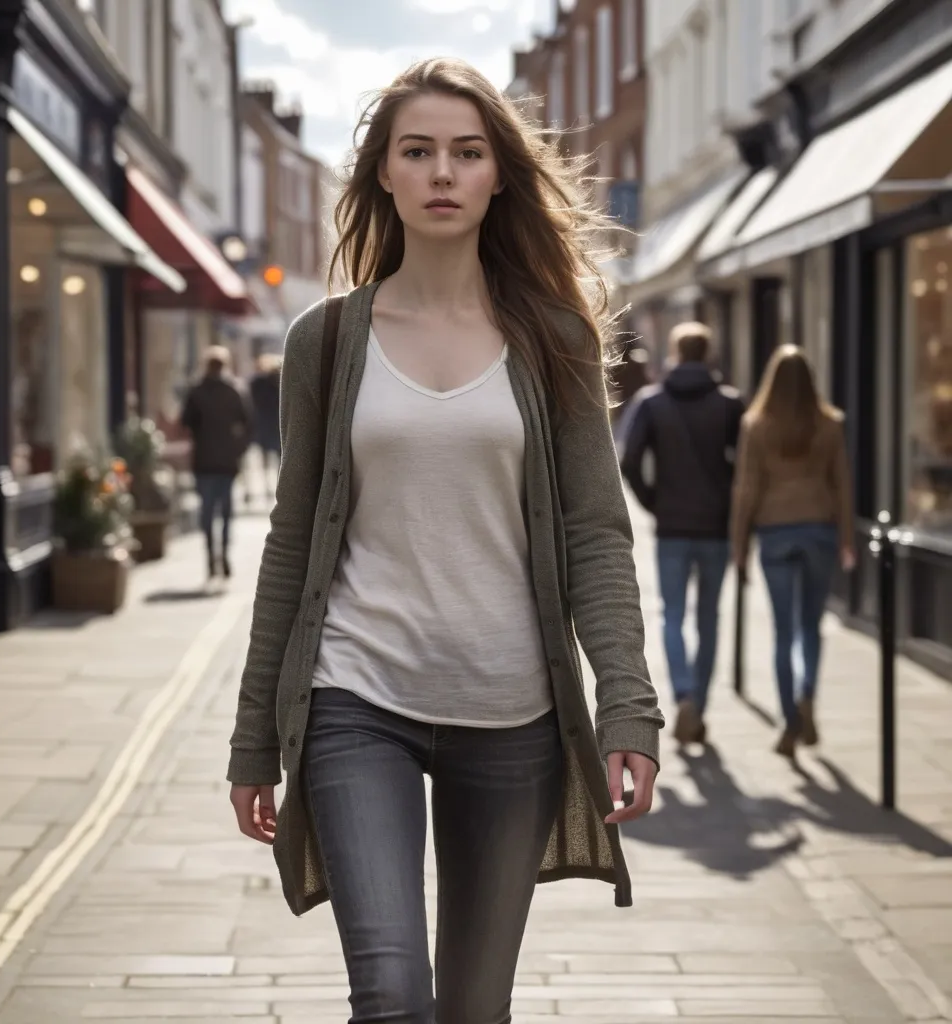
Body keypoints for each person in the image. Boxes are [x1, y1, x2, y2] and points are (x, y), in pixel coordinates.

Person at [226, 57, 664, 1023]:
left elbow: (596, 533)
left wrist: (628, 710)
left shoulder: (554, 337)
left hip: (513, 710)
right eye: (416, 151)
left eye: (466, 153)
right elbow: (291, 545)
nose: (441, 172)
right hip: (358, 696)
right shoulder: (326, 340)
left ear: (497, 174)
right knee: (391, 995)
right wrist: (256, 733)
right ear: (383, 172)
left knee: (472, 1007)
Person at [621, 322, 745, 746]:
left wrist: (655, 502)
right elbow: (745, 466)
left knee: (671, 613)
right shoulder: (730, 404)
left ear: (675, 353)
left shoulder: (652, 402)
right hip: (715, 526)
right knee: (708, 617)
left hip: (673, 525)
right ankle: (700, 705)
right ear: (708, 354)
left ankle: (684, 695)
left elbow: (630, 460)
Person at [732, 344, 856, 757]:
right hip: (819, 529)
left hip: (775, 531)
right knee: (810, 626)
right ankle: (808, 696)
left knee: (783, 632)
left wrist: (739, 547)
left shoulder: (757, 423)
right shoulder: (830, 423)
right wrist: (846, 540)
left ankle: (789, 720)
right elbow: (842, 484)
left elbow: (746, 488)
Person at [181, 345, 253, 580]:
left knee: (207, 511)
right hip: (227, 460)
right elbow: (249, 423)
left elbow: (186, 421)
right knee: (226, 510)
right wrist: (238, 448)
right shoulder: (234, 390)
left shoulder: (197, 391)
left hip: (204, 460)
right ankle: (224, 552)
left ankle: (211, 555)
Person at [247, 353, 283, 501]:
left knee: (265, 460)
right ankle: (278, 487)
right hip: (278, 425)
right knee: (280, 460)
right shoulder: (280, 382)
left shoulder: (256, 383)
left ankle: (267, 487)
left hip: (262, 425)